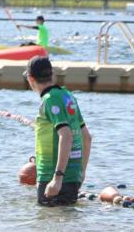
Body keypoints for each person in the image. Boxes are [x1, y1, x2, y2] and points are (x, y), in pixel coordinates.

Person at [18, 57, 92, 206]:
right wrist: (81, 172)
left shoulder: (50, 99)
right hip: (73, 176)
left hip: (52, 176)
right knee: (65, 223)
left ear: (31, 78)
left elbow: (66, 135)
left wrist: (57, 178)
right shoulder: (68, 96)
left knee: (48, 224)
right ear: (51, 74)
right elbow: (87, 137)